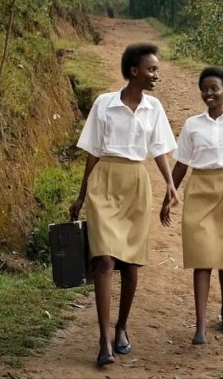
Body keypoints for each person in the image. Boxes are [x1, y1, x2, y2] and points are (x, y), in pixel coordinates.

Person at [69, 43, 179, 367]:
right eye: (152, 69)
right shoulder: (104, 104)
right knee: (103, 260)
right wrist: (80, 195)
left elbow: (159, 150)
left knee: (131, 264)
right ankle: (104, 340)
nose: (156, 75)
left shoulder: (154, 108)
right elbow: (92, 152)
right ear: (134, 70)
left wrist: (170, 185)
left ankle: (121, 327)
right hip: (104, 181)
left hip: (136, 185)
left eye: (156, 69)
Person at [160, 66, 223, 345]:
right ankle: (200, 325)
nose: (209, 93)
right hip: (200, 192)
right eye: (205, 88)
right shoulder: (193, 124)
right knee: (201, 258)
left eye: (214, 88)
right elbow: (181, 164)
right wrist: (169, 197)